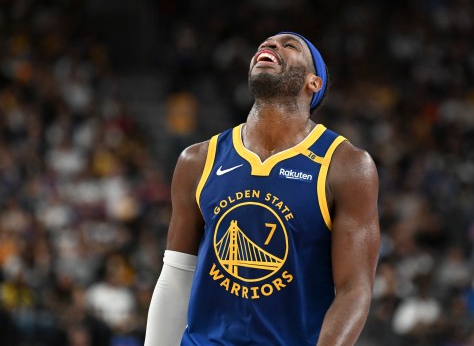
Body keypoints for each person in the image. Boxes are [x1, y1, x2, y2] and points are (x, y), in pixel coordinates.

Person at [144, 31, 381, 346]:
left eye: (290, 45)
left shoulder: (346, 164)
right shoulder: (198, 159)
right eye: (266, 44)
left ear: (315, 82)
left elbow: (354, 290)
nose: (271, 45)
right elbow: (177, 277)